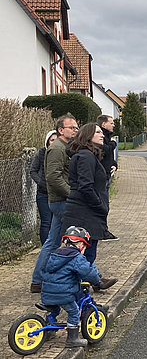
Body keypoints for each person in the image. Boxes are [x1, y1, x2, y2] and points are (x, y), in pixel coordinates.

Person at [60, 123, 117, 291]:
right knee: (85, 255)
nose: (102, 135)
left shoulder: (88, 155)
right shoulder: (85, 156)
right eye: (98, 132)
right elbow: (85, 187)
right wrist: (100, 206)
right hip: (84, 213)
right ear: (88, 136)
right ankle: (75, 295)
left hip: (86, 212)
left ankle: (90, 285)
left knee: (85, 255)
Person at [31, 114, 79, 293]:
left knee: (52, 241)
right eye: (71, 127)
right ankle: (74, 277)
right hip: (61, 201)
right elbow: (53, 177)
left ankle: (39, 280)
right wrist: (71, 194)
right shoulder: (57, 148)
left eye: (76, 127)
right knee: (76, 238)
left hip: (60, 200)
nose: (75, 130)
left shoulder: (65, 147)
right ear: (61, 130)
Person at [42, 226, 102, 348]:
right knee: (74, 312)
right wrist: (97, 281)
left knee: (55, 308)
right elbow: (88, 272)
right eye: (84, 246)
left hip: (47, 292)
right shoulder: (76, 258)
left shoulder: (55, 255)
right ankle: (72, 339)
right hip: (63, 294)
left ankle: (49, 328)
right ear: (80, 244)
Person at [30, 130, 58, 244]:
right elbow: (33, 171)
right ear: (47, 142)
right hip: (43, 194)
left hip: (57, 194)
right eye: (52, 140)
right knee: (46, 221)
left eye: (56, 140)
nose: (54, 142)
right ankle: (45, 246)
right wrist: (41, 183)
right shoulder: (41, 153)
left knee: (55, 222)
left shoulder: (62, 153)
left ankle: (54, 245)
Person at [97, 115, 119, 241]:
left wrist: (114, 165)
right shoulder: (100, 137)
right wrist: (112, 144)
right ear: (104, 124)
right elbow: (104, 150)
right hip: (101, 176)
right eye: (111, 123)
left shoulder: (108, 138)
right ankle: (102, 231)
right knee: (102, 204)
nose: (113, 125)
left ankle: (104, 229)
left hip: (107, 174)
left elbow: (110, 157)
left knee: (105, 204)